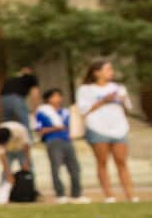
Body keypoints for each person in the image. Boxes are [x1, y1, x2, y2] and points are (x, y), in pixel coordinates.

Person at [76, 58, 139, 202]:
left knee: (121, 161)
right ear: (97, 72)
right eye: (108, 69)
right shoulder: (86, 89)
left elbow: (128, 109)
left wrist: (122, 101)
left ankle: (130, 195)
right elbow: (83, 110)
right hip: (97, 128)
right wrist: (104, 100)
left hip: (119, 128)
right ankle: (109, 195)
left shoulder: (119, 88)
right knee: (102, 162)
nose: (111, 72)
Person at [33, 87, 83, 201]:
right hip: (53, 141)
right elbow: (39, 130)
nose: (58, 98)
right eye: (55, 96)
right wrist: (54, 128)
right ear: (48, 99)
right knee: (56, 168)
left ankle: (77, 194)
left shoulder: (65, 112)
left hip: (67, 140)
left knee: (74, 168)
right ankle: (60, 194)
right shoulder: (43, 112)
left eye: (59, 96)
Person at [0, 63, 40, 143]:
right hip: (16, 98)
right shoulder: (30, 77)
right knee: (24, 120)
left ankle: (6, 141)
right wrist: (35, 108)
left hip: (3, 98)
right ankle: (28, 141)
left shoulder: (11, 78)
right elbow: (35, 94)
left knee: (8, 122)